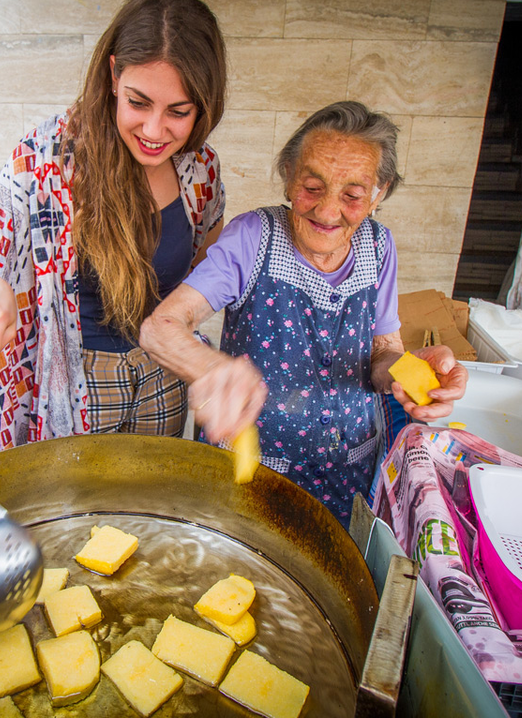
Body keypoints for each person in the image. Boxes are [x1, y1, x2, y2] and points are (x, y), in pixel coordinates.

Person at [140, 101, 469, 525]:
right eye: (311, 187)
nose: (328, 211)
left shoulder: (379, 246)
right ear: (289, 176)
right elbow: (160, 327)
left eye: (352, 195)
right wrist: (208, 369)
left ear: (378, 192)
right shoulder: (253, 237)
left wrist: (407, 370)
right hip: (253, 472)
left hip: (347, 471)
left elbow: (381, 355)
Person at [0, 0, 227, 449]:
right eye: (138, 102)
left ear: (204, 105)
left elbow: (206, 276)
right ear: (114, 74)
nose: (154, 131)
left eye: (178, 111)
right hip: (72, 384)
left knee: (153, 515)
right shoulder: (42, 161)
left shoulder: (200, 173)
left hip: (165, 384)